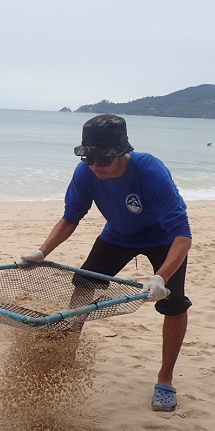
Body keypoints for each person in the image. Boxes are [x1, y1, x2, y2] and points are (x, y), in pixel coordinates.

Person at [21, 114, 192, 412]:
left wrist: (161, 277)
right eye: (90, 158)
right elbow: (71, 217)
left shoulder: (150, 171)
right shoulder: (86, 172)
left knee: (173, 304)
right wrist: (42, 252)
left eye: (103, 159)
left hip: (163, 239)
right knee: (83, 287)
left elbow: (183, 236)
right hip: (118, 235)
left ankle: (165, 380)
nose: (96, 166)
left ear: (122, 152)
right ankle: (66, 353)